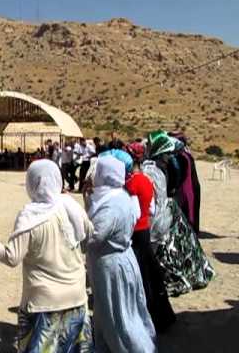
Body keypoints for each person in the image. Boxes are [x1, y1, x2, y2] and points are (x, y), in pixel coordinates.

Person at [0, 159, 94, 353]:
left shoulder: (30, 217)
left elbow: (11, 257)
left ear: (31, 183)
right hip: (76, 299)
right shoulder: (71, 207)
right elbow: (89, 237)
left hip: (42, 305)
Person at [85, 155, 157, 353]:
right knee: (117, 310)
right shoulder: (120, 196)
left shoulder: (112, 205)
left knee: (119, 315)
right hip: (119, 260)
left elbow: (93, 237)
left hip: (111, 266)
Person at [146, 131, 215, 297]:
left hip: (166, 207)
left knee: (171, 246)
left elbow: (174, 181)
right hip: (169, 206)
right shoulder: (168, 160)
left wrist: (171, 193)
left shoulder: (161, 164)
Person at [126, 143, 176, 332]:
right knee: (151, 273)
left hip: (135, 233)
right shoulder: (149, 180)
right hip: (147, 230)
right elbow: (153, 209)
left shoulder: (130, 183)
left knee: (140, 275)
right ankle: (162, 315)